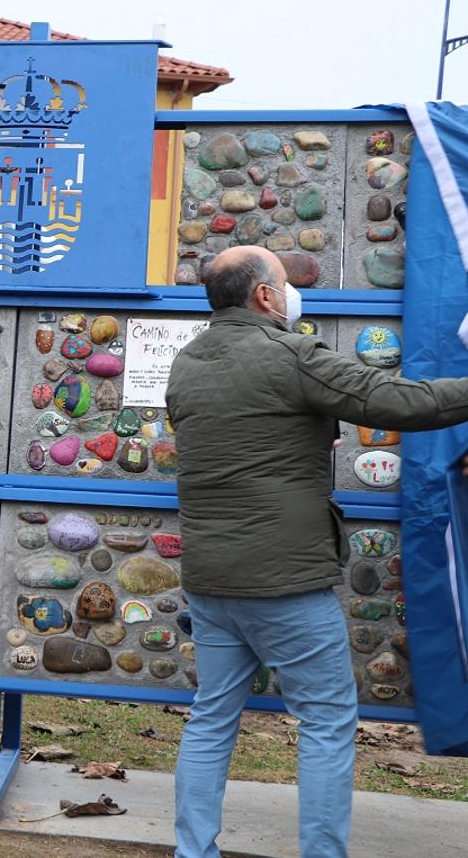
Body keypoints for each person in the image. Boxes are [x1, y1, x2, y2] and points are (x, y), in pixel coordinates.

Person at [166, 244, 468, 858]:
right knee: (327, 724)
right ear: (265, 296)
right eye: (283, 279)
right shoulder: (290, 353)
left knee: (211, 719)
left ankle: (193, 851)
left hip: (210, 576)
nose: (290, 290)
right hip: (284, 583)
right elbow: (402, 403)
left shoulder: (187, 361)